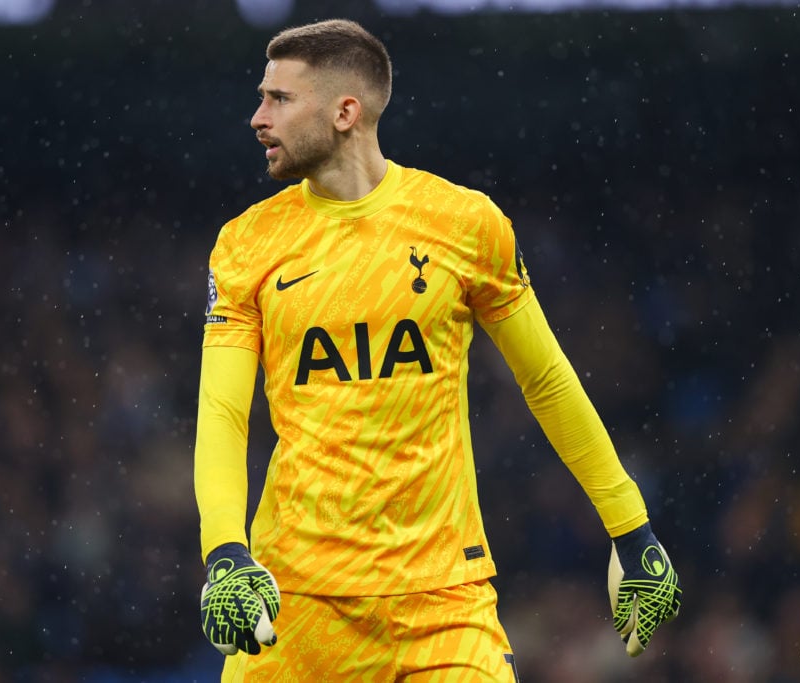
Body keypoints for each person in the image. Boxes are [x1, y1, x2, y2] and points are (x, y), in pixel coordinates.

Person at [194, 18, 681, 682]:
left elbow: (544, 377)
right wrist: (224, 551)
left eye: (279, 99)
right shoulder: (246, 243)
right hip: (296, 606)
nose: (257, 117)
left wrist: (633, 528)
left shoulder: (464, 223)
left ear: (346, 111)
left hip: (442, 607)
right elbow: (224, 411)